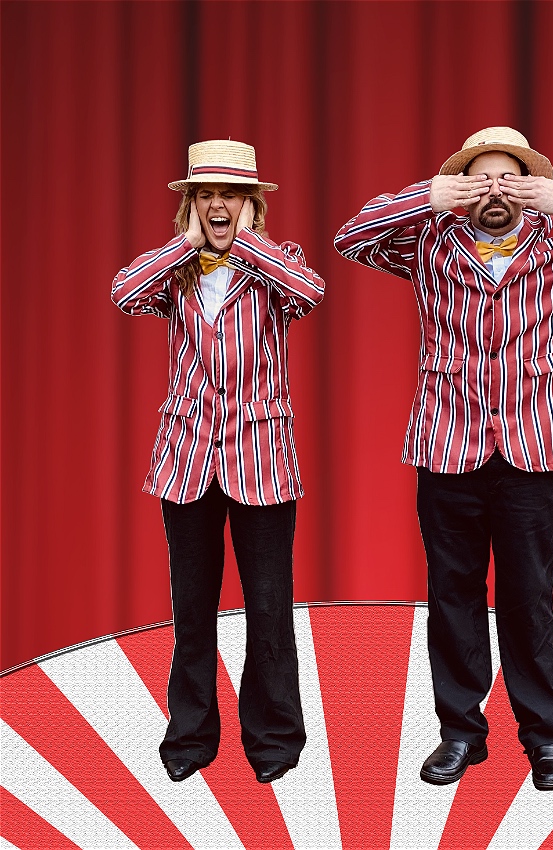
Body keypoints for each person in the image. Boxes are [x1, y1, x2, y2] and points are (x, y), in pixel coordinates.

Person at [334, 127, 553, 790]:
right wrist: (424, 196)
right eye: (480, 180)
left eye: (508, 179)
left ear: (529, 186)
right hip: (445, 445)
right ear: (461, 189)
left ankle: (544, 739)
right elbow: (352, 237)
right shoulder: (427, 239)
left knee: (528, 597)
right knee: (452, 596)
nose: (494, 191)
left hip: (531, 446)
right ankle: (459, 735)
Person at [112, 139, 324, 784]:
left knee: (267, 607)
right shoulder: (171, 270)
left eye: (229, 195)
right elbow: (125, 294)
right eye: (205, 195)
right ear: (191, 204)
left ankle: (275, 740)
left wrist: (246, 245)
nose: (217, 205)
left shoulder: (278, 263)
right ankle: (190, 738)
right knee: (192, 607)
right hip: (186, 460)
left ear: (250, 204)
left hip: (262, 461)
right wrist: (189, 244)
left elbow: (307, 294)